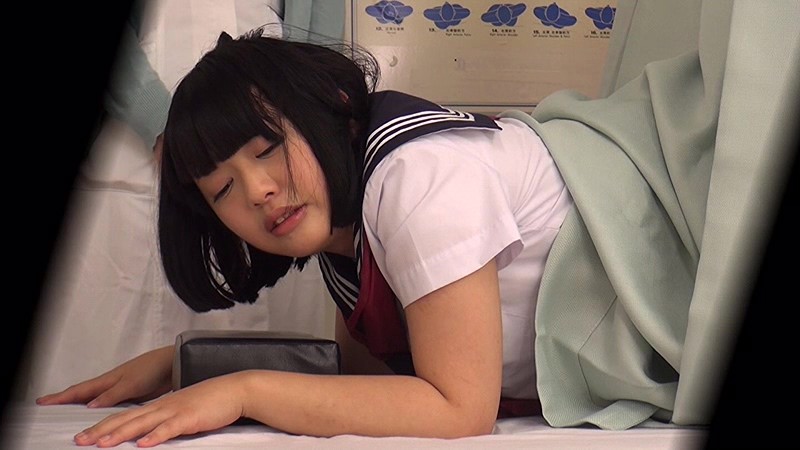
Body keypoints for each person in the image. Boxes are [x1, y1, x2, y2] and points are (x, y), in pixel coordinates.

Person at [36, 27, 572, 446]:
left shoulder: (417, 174)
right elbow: (364, 385)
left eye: (267, 149)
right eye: (223, 190)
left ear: (334, 109)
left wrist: (243, 391)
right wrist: (188, 365)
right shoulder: (345, 237)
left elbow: (460, 411)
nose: (258, 192)